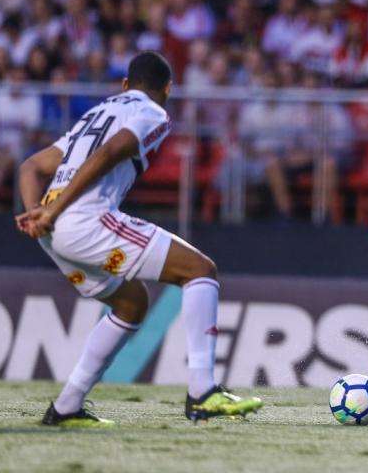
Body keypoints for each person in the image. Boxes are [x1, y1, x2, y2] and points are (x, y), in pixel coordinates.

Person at [15, 51, 263, 427]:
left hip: (55, 234)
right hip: (83, 220)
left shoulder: (96, 114)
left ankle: (66, 407)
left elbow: (31, 166)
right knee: (200, 271)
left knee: (131, 304)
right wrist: (54, 211)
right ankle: (202, 392)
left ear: (125, 85)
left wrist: (38, 211)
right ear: (168, 88)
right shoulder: (152, 111)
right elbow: (113, 150)